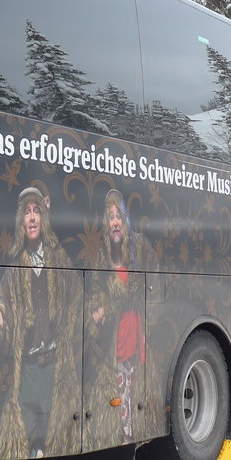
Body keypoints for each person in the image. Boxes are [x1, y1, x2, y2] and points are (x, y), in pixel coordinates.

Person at [0, 187, 80, 459]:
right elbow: (1, 299)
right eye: (26, 212)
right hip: (27, 367)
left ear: (43, 218)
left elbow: (77, 298)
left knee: (54, 429)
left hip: (55, 365)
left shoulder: (58, 260)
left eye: (36, 211)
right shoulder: (16, 266)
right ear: (21, 221)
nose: (32, 218)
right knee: (27, 432)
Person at [87, 189, 149, 444]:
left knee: (133, 394)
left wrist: (109, 304)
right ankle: (123, 440)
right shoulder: (102, 258)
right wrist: (98, 309)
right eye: (110, 217)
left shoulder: (139, 250)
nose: (114, 222)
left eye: (118, 216)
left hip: (134, 340)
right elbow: (95, 295)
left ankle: (131, 439)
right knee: (117, 396)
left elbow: (135, 294)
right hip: (113, 344)